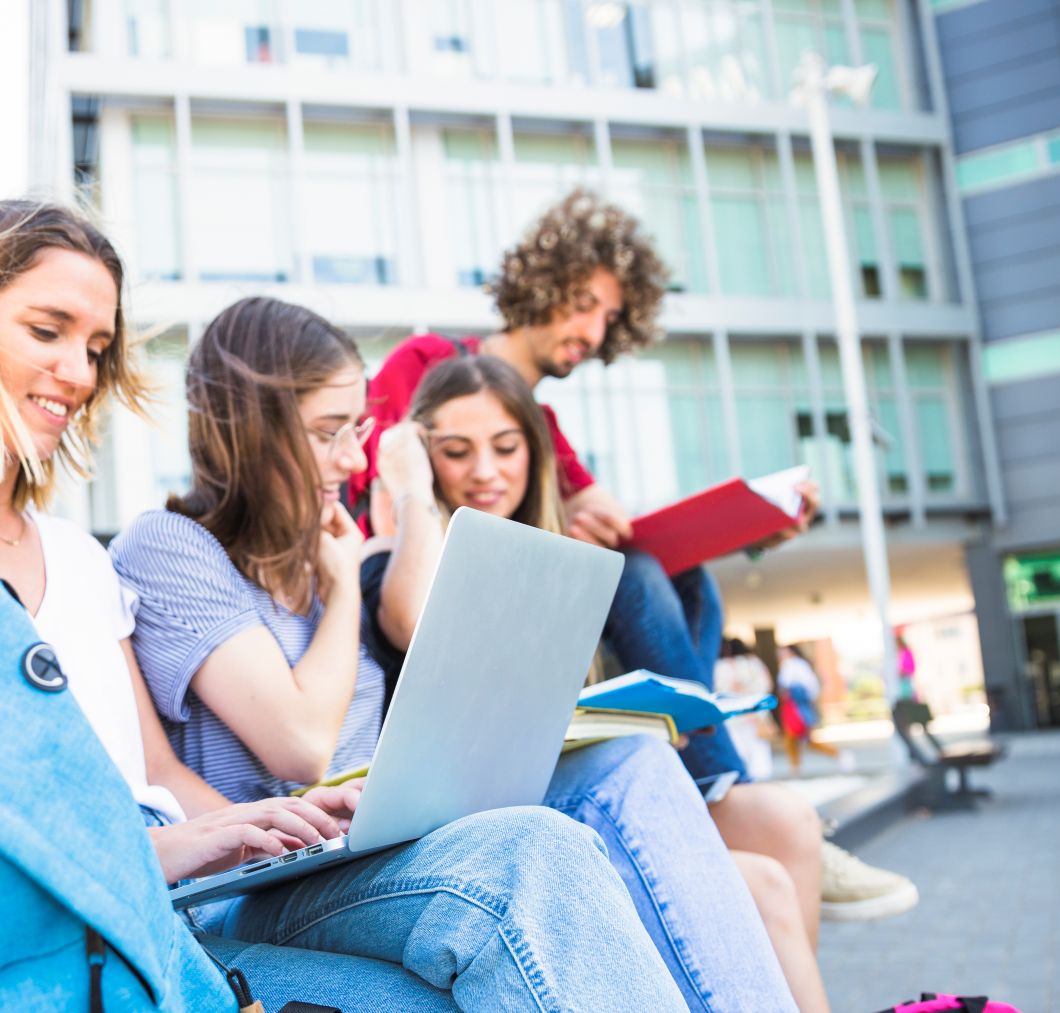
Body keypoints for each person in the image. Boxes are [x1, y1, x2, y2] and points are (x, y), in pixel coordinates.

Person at [0, 199, 689, 1011]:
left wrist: (273, 831)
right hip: (39, 934)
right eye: (48, 330)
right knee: (525, 866)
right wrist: (146, 853)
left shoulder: (83, 560)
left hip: (159, 913)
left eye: (95, 347)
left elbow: (154, 770)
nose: (79, 373)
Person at [113, 295, 797, 1013]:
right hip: (261, 884)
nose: (351, 458)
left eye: (357, 430)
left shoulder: (323, 546)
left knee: (633, 762)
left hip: (374, 841)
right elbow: (299, 745)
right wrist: (344, 580)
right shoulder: (173, 546)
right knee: (532, 853)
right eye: (327, 433)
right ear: (248, 434)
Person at [352, 187, 919, 931]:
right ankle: (721, 785)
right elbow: (385, 479)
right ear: (542, 283)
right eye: (584, 302)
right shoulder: (429, 360)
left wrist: (751, 528)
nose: (594, 328)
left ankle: (712, 781)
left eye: (610, 316)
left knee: (683, 577)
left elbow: (612, 525)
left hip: (529, 609)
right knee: (645, 574)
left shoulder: (547, 425)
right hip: (431, 590)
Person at [363, 354, 830, 1013]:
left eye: (505, 446)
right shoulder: (402, 548)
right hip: (488, 816)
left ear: (535, 447)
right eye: (455, 451)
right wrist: (409, 486)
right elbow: (411, 619)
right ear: (422, 452)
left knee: (789, 822)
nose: (486, 471)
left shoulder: (558, 551)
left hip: (590, 780)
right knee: (762, 888)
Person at [776, 644, 849, 774]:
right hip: (796, 706)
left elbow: (796, 686)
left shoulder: (794, 665)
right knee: (799, 740)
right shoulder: (797, 665)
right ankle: (796, 767)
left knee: (795, 738)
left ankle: (837, 755)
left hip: (795, 707)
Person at [714, 639, 776, 781]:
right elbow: (765, 686)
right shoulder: (753, 663)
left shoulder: (718, 666)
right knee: (759, 755)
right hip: (754, 714)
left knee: (739, 753)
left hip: (731, 717)